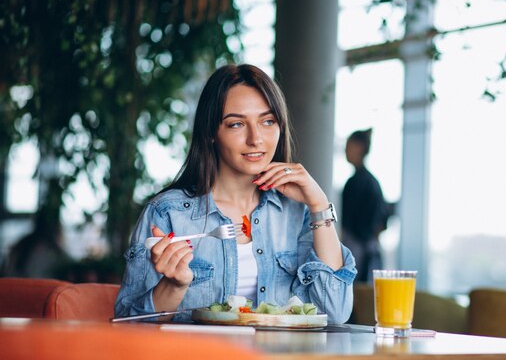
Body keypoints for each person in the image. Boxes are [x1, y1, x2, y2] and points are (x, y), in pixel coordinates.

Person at [114, 64, 356, 324]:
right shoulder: (167, 214)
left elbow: (334, 313)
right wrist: (173, 286)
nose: (256, 139)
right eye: (237, 124)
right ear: (210, 133)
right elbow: (128, 326)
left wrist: (318, 203)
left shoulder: (297, 214)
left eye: (267, 121)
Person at [341, 129, 389, 283]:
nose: (345, 150)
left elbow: (347, 224)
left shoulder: (355, 182)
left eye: (349, 145)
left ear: (359, 147)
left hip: (356, 251)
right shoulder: (373, 182)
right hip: (370, 250)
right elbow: (383, 220)